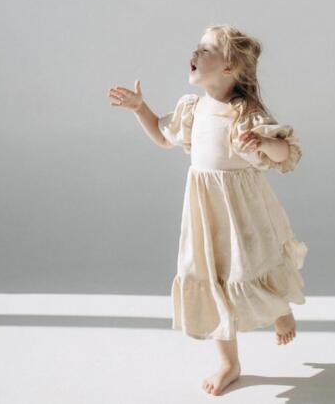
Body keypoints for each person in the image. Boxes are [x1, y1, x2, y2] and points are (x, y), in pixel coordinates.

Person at [108, 24, 308, 396]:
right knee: (211, 277)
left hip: (241, 211)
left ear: (229, 68)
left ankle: (280, 310)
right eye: (196, 47)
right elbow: (163, 137)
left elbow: (284, 154)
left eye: (205, 50)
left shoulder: (244, 112)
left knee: (254, 266)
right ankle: (229, 363)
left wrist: (262, 141)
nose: (195, 53)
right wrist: (140, 108)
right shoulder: (193, 107)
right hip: (205, 211)